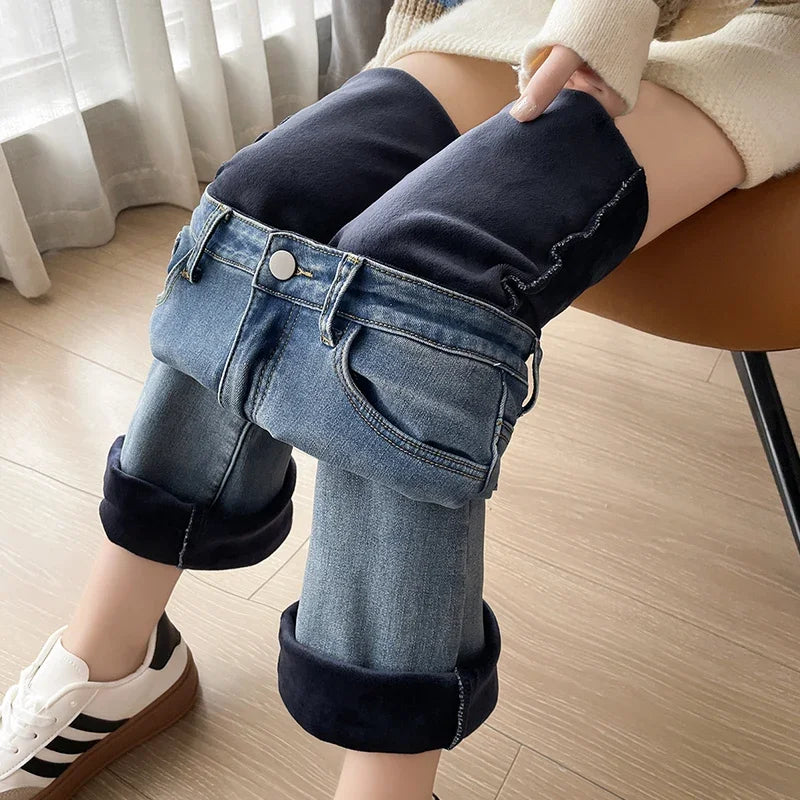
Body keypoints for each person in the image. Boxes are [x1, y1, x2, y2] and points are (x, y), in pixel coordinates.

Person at [1, 1, 798, 799]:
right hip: (546, 15)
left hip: (762, 33)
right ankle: (111, 659)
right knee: (264, 200)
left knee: (411, 286)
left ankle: (388, 787)